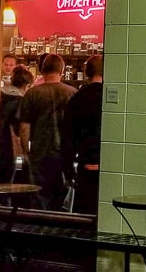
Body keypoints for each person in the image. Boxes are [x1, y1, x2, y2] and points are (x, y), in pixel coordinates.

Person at [16, 54, 76, 210]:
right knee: (61, 198)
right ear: (61, 70)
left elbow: (24, 127)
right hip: (64, 155)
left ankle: (39, 229)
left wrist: (26, 152)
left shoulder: (32, 93)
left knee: (38, 198)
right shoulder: (72, 93)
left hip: (39, 154)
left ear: (42, 70)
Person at [62, 55, 103, 214]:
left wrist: (68, 169)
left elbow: (68, 137)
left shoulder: (76, 100)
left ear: (86, 73)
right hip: (108, 166)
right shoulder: (111, 98)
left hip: (85, 165)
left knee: (83, 217)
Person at [0, 65, 33, 185]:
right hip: (9, 147)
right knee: (7, 185)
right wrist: (25, 151)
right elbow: (21, 129)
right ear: (27, 86)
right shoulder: (21, 102)